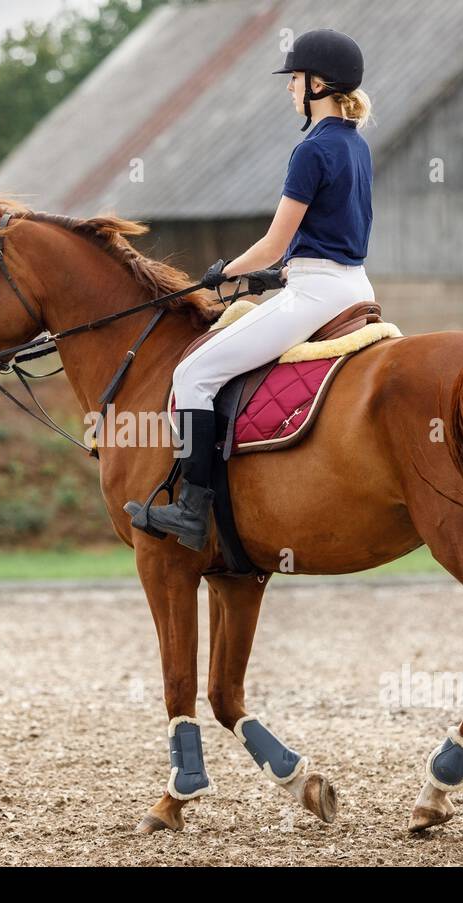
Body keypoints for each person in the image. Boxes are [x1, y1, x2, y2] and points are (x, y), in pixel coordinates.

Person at [125, 28, 376, 550]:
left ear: (320, 85)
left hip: (317, 293)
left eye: (295, 79)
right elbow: (331, 236)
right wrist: (279, 272)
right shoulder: (356, 144)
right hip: (351, 285)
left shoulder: (311, 150)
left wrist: (225, 271)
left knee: (192, 373)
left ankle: (192, 510)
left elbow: (274, 240)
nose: (288, 88)